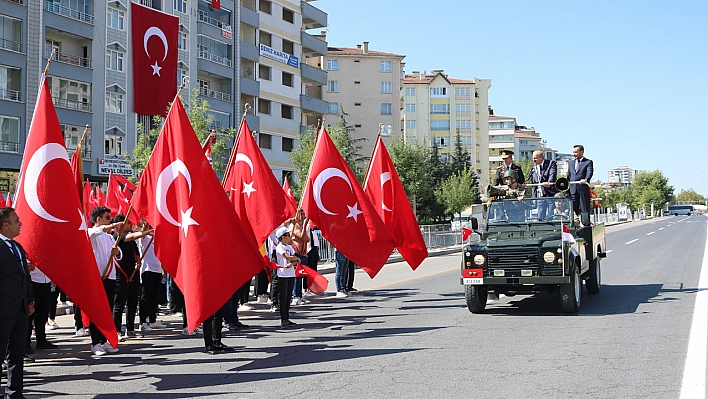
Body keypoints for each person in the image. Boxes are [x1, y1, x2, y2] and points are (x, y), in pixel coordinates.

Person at [0, 207, 34, 399]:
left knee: (16, 355)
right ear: (6, 225)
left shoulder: (17, 247)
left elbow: (25, 277)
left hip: (20, 310)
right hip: (2, 311)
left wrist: (29, 300)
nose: (20, 223)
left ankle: (15, 393)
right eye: (17, 220)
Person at [87, 206, 123, 356]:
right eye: (108, 218)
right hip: (97, 278)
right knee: (97, 311)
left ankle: (104, 340)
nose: (111, 220)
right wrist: (114, 226)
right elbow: (95, 233)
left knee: (107, 311)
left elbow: (117, 253)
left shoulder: (109, 237)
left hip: (110, 277)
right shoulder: (91, 232)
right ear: (98, 219)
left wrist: (117, 252)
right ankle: (95, 343)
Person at [111, 214, 152, 338]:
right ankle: (116, 330)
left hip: (133, 274)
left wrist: (138, 262)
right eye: (127, 223)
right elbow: (134, 235)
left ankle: (130, 328)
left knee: (133, 303)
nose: (130, 225)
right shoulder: (117, 237)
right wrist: (150, 231)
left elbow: (137, 254)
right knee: (119, 304)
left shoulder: (132, 242)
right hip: (121, 275)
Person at [275, 226, 300, 328]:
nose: (290, 236)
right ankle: (283, 319)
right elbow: (288, 257)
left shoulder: (289, 247)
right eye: (288, 235)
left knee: (288, 297)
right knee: (283, 297)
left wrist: (295, 261)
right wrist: (296, 258)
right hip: (282, 274)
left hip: (291, 273)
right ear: (283, 237)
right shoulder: (279, 247)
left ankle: (287, 317)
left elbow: (296, 260)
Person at [569, 145, 594, 218]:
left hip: (582, 190)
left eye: (576, 152)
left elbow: (589, 173)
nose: (574, 154)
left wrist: (585, 179)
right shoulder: (571, 163)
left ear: (582, 152)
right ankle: (575, 225)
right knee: (573, 210)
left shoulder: (588, 162)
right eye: (573, 152)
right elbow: (569, 176)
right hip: (573, 191)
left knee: (585, 210)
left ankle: (586, 225)